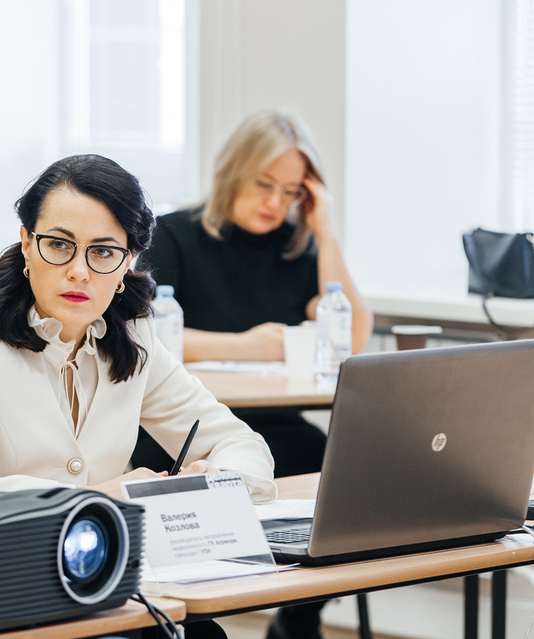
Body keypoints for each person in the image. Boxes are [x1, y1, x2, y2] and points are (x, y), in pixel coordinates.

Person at [0, 154, 276, 639]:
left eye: (103, 252)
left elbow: (241, 445)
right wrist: (93, 500)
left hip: (105, 588)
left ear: (128, 262)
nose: (79, 271)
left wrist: (211, 486)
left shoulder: (134, 336)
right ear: (26, 244)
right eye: (59, 245)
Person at [135, 109, 373, 639]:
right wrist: (243, 345)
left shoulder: (298, 245)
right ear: (232, 172)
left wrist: (325, 232)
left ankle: (299, 616)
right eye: (264, 184)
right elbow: (140, 334)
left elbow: (353, 335)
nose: (274, 202)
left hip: (274, 424)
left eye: (291, 192)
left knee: (333, 464)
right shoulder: (173, 234)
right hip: (182, 429)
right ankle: (197, 616)